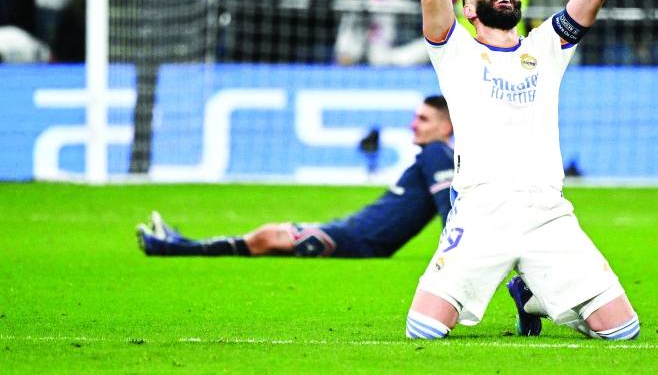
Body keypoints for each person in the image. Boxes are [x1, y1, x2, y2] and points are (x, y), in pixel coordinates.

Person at [402, 0, 656, 341]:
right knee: (423, 331)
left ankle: (533, 295)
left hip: (546, 213)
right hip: (480, 212)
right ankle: (526, 289)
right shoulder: (454, 50)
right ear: (469, 9)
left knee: (623, 332)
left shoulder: (548, 44)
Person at [136, 96, 455, 258]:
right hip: (353, 233)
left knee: (267, 236)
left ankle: (176, 248)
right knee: (269, 241)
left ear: (446, 127)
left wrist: (451, 255)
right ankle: (180, 244)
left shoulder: (437, 153)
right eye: (415, 117)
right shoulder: (433, 155)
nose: (414, 125)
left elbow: (448, 207)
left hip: (359, 240)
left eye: (424, 119)